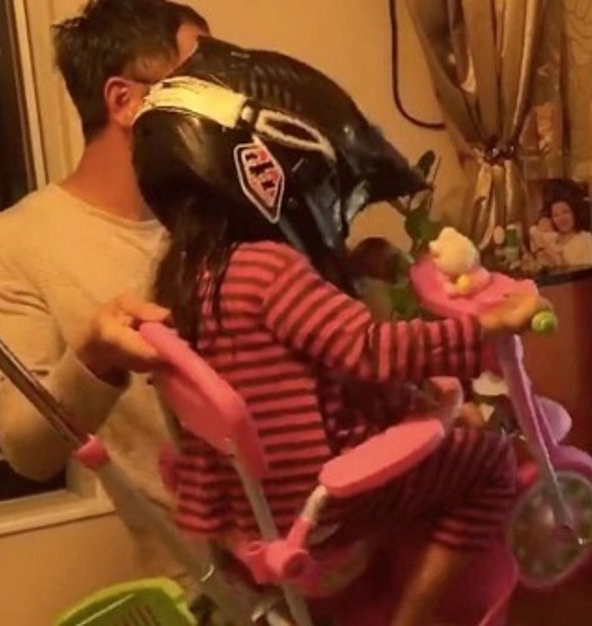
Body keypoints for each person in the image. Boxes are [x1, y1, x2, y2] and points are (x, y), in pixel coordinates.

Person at [132, 38, 549, 625]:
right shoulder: (270, 269)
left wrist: (354, 264)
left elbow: (278, 337)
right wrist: (484, 329)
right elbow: (371, 349)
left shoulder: (188, 273)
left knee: (426, 416)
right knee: (488, 463)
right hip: (322, 502)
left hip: (254, 502)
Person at [0, 0, 209, 578]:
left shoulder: (227, 212)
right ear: (126, 101)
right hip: (210, 591)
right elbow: (27, 451)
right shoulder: (9, 248)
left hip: (346, 542)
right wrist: (96, 357)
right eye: (203, 80)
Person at [536, 179, 592, 270]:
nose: (561, 219)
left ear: (575, 212)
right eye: (556, 215)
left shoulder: (586, 239)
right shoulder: (551, 240)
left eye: (566, 212)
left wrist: (559, 259)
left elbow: (588, 274)